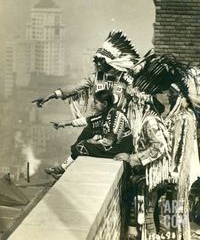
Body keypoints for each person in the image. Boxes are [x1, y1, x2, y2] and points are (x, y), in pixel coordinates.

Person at [32, 31, 140, 115]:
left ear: (110, 61)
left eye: (101, 61)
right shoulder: (95, 78)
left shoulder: (127, 79)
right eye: (97, 61)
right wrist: (51, 96)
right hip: (99, 125)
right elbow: (75, 88)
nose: (98, 64)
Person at [115, 88, 170, 240]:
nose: (131, 110)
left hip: (152, 176)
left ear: (142, 105)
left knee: (147, 215)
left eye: (134, 106)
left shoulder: (150, 121)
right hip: (148, 175)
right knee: (146, 214)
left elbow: (159, 147)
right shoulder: (147, 119)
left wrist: (133, 157)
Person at [45, 89, 133, 180]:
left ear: (105, 104)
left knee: (84, 145)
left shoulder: (116, 114)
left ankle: (63, 169)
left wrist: (95, 142)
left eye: (96, 103)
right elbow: (88, 121)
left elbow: (110, 141)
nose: (93, 105)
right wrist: (63, 123)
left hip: (120, 148)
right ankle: (62, 168)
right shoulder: (107, 113)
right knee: (84, 140)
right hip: (114, 145)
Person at [163, 84, 200, 240]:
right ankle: (172, 233)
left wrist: (177, 169)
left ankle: (178, 235)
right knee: (171, 202)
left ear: (182, 97)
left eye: (172, 94)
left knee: (179, 203)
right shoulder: (177, 115)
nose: (168, 97)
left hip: (181, 168)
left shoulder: (186, 118)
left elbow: (184, 147)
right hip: (174, 167)